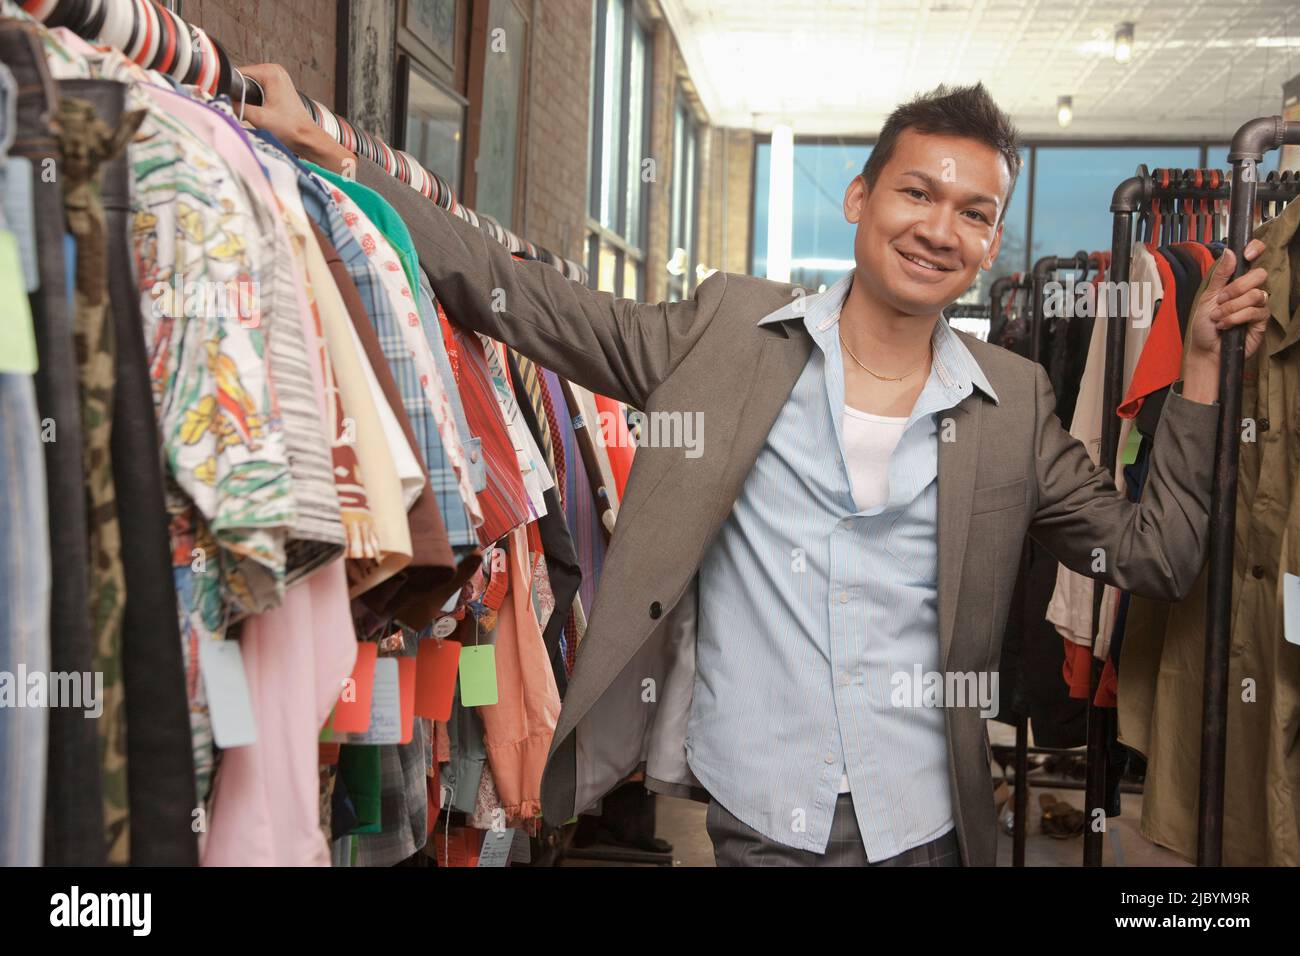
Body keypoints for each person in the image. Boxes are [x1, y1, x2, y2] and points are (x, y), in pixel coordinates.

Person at [242, 69, 1271, 867]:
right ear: (860, 197)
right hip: (757, 805)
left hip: (927, 816)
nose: (938, 227)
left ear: (994, 240)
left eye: (973, 211)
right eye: (916, 191)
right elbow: (521, 298)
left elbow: (1155, 554)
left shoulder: (1012, 401)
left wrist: (1203, 377)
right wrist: (330, 153)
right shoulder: (728, 333)